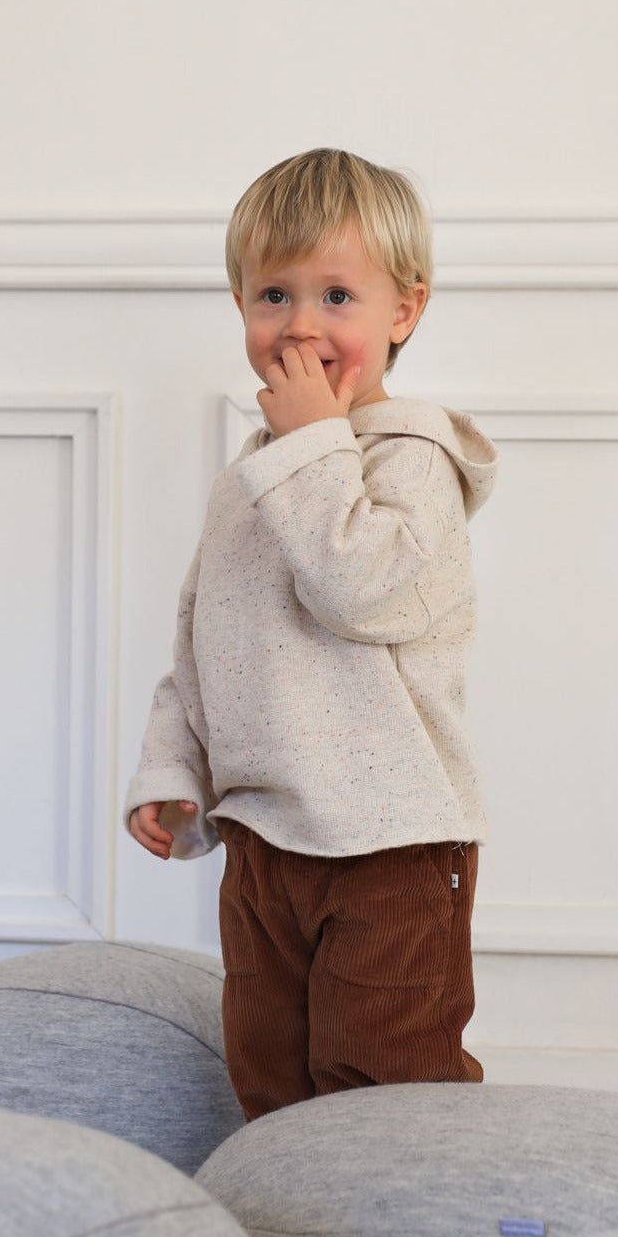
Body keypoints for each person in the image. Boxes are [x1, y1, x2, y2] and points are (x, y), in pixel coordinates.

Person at [125, 147, 499, 1121]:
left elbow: (364, 592)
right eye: (272, 295)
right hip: (266, 836)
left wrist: (310, 446)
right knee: (270, 1072)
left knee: (383, 1073)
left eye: (338, 296)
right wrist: (173, 772)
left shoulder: (414, 455)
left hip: (392, 840)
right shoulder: (256, 472)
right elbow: (203, 643)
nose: (300, 324)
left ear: (403, 312)